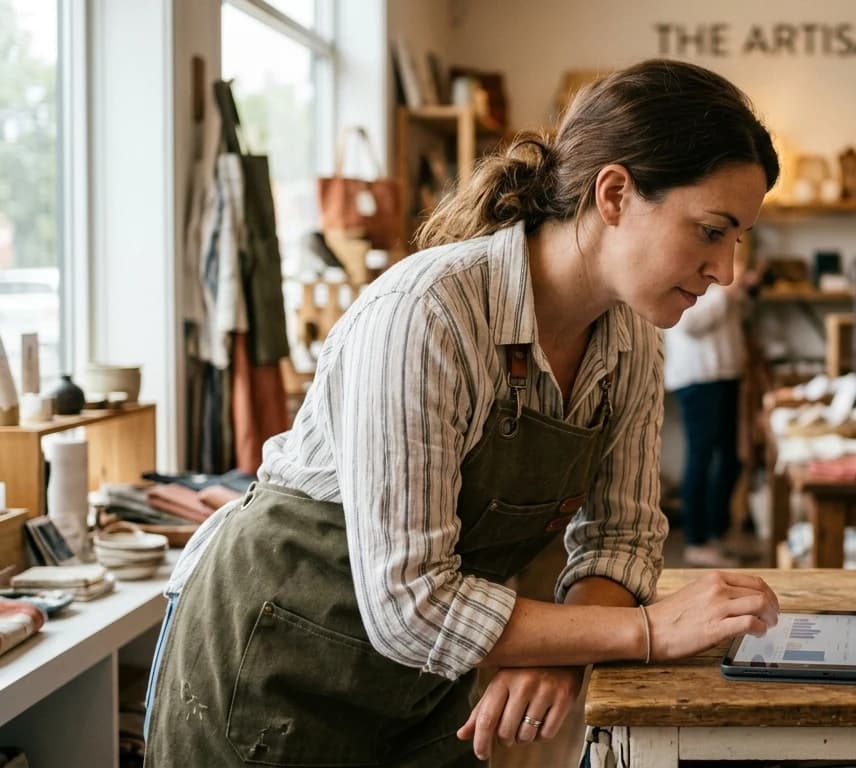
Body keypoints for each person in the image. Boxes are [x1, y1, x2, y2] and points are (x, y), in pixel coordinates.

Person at [144, 59, 781, 766]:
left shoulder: (629, 340)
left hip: (425, 682)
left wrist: (567, 646)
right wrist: (646, 632)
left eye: (738, 240)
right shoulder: (429, 315)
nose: (725, 270)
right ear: (615, 194)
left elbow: (620, 539)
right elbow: (412, 603)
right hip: (268, 672)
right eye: (710, 231)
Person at [663, 250, 755, 567]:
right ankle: (696, 540)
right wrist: (726, 294)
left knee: (730, 458)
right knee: (700, 458)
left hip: (726, 373)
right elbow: (688, 324)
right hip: (698, 378)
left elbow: (731, 320)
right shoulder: (680, 271)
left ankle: (718, 534)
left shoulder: (719, 281)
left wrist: (741, 293)